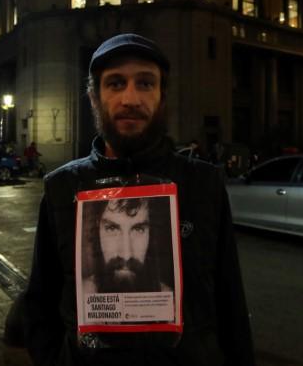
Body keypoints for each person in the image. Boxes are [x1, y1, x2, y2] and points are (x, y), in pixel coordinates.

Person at [23, 33, 254, 365]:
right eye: (115, 84)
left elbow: (231, 303)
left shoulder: (204, 184)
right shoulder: (62, 188)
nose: (130, 99)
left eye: (145, 83)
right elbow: (40, 301)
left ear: (162, 96)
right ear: (94, 98)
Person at [81, 197, 172, 294]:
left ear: (151, 233)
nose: (126, 255)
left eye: (139, 229)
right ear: (97, 228)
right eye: (112, 228)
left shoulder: (169, 299)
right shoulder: (81, 294)